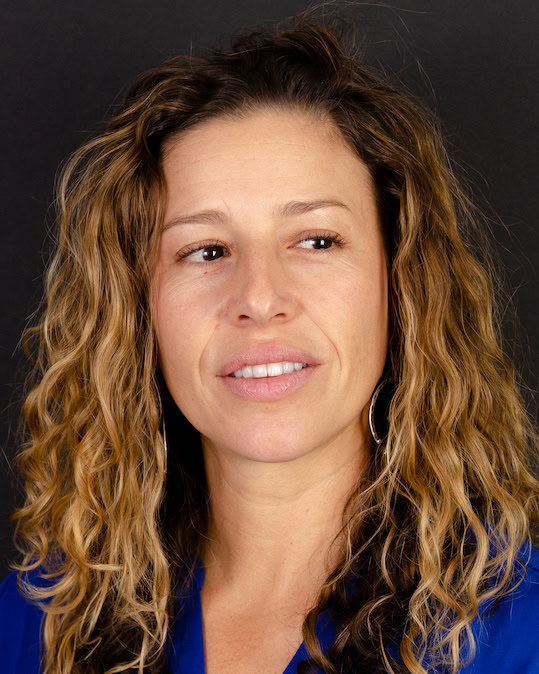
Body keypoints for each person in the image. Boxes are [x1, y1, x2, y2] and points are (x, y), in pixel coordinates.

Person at [0, 6, 538, 674]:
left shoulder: (521, 632)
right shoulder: (37, 625)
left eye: (316, 240)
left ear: (400, 284)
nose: (258, 297)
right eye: (204, 250)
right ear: (137, 307)